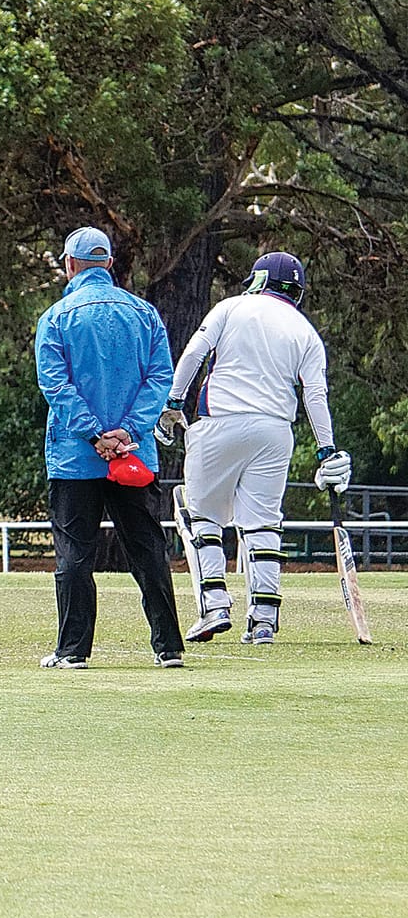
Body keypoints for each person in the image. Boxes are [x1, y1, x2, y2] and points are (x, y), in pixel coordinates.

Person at [158, 252, 345, 645]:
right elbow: (315, 395)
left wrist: (173, 402)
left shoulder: (230, 307)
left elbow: (194, 353)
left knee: (202, 515)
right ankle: (263, 620)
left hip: (220, 421)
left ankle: (214, 606)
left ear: (258, 280)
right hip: (274, 431)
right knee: (262, 523)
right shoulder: (305, 331)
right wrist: (326, 450)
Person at [34, 227, 185, 669]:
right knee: (148, 549)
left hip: (75, 457)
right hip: (134, 455)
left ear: (69, 264)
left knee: (74, 553)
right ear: (110, 264)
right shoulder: (145, 315)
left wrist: (94, 434)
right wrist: (128, 432)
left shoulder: (56, 318)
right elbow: (160, 378)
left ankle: (72, 650)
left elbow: (55, 385)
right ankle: (168, 647)